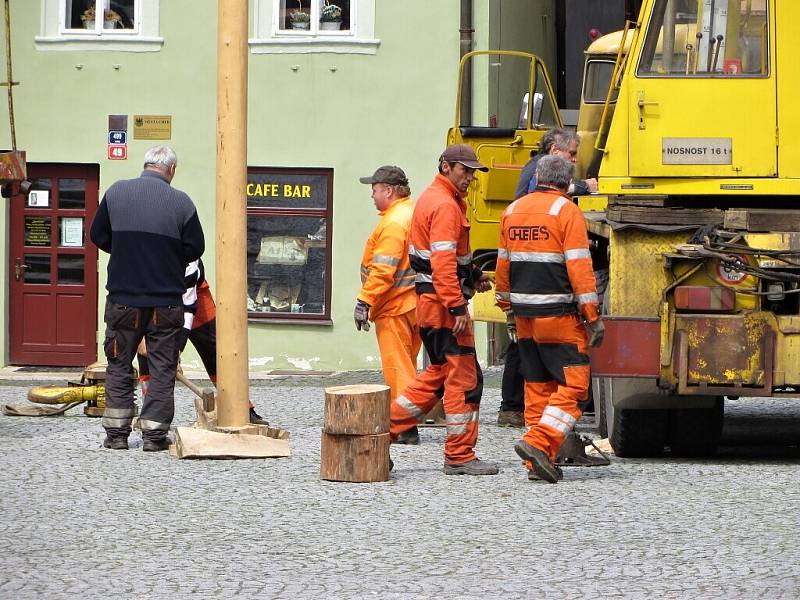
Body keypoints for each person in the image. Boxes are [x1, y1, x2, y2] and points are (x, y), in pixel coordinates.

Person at [390, 144, 498, 476]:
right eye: (465, 171)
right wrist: (457, 306)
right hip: (442, 305)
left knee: (438, 376)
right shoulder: (446, 206)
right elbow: (442, 264)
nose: (470, 178)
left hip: (431, 303)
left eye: (473, 172)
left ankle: (381, 427)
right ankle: (459, 455)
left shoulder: (435, 199)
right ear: (447, 167)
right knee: (465, 379)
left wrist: (474, 276)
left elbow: (447, 261)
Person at [495, 155, 604, 483]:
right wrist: (592, 316)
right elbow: (579, 267)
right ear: (567, 182)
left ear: (539, 177)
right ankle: (537, 443)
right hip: (558, 316)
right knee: (575, 387)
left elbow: (504, 265)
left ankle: (537, 464)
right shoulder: (567, 211)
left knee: (538, 388)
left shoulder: (512, 211)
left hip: (525, 317)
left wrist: (507, 308)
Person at [90, 145, 205, 452]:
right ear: (172, 170)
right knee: (162, 367)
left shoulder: (116, 193)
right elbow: (195, 248)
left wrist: (127, 250)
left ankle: (116, 436)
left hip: (123, 300)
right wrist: (165, 257)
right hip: (165, 303)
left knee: (118, 364)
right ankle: (154, 437)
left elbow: (97, 236)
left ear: (145, 166)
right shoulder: (182, 202)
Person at [136, 259, 269, 425]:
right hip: (149, 296)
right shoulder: (137, 250)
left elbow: (187, 303)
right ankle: (151, 419)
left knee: (217, 351)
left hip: (193, 294)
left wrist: (175, 349)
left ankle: (241, 410)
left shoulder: (187, 253)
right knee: (148, 353)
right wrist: (139, 335)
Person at [354, 166, 421, 444]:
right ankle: (407, 423)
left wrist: (364, 301)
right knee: (408, 365)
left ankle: (404, 426)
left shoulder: (394, 222)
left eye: (375, 189)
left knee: (398, 369)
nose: (372, 195)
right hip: (413, 302)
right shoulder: (411, 213)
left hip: (395, 305)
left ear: (389, 191)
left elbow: (383, 270)